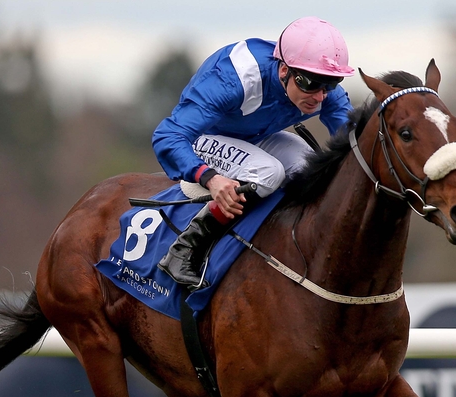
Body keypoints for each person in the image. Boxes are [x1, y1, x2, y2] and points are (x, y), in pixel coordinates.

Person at [152, 16, 355, 288]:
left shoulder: (323, 91)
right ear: (284, 70)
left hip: (256, 137)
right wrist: (210, 177)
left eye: (331, 83)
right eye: (310, 84)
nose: (319, 96)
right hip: (205, 136)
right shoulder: (233, 79)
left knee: (311, 168)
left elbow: (353, 146)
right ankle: (186, 249)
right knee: (269, 172)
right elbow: (168, 136)